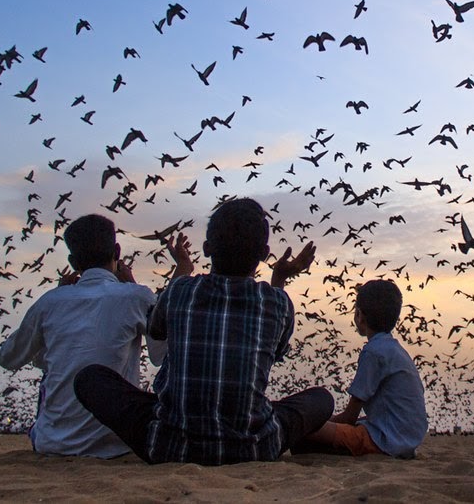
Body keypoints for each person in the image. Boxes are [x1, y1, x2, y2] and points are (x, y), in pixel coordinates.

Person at [75, 197, 334, 465]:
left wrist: (180, 272)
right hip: (253, 449)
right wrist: (279, 278)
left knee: (89, 378)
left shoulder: (180, 290)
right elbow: (275, 351)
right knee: (322, 399)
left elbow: (156, 330)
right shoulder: (278, 302)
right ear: (264, 253)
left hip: (168, 447)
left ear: (207, 248)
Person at [0, 213, 177, 458]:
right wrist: (134, 287)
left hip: (53, 444)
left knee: (52, 365)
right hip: (120, 443)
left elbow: (7, 359)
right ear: (117, 252)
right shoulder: (136, 296)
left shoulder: (49, 302)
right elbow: (160, 356)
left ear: (73, 262)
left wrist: (53, 308)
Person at [299, 279, 428, 458]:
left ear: (359, 315)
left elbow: (349, 417)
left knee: (303, 433)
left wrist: (318, 424)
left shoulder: (374, 352)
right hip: (407, 439)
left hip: (386, 440)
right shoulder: (396, 350)